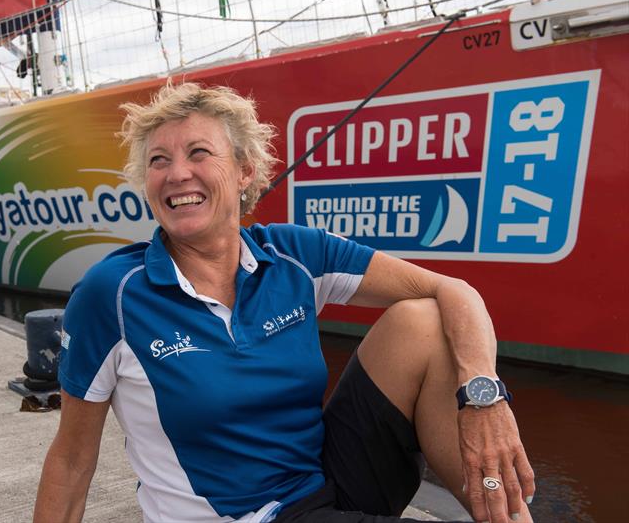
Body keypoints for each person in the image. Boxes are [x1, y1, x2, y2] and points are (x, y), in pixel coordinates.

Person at [34, 82, 535, 523]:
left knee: (422, 318)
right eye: (158, 161)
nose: (176, 173)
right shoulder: (113, 295)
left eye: (198, 153)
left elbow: (455, 291)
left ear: (245, 170)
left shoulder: (291, 255)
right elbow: (73, 458)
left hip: (322, 485)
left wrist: (484, 402)